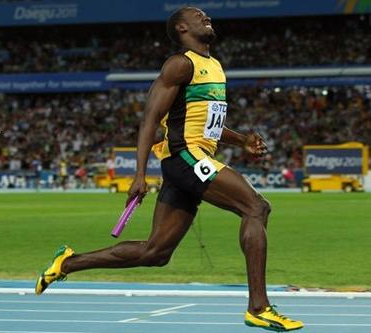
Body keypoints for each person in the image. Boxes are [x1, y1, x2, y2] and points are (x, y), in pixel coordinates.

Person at [35, 7, 303, 332]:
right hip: (184, 157)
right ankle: (258, 307)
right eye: (197, 15)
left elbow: (207, 124)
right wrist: (139, 174)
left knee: (155, 252)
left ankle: (67, 262)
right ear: (181, 27)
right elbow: (150, 119)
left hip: (192, 158)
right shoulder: (180, 64)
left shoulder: (214, 66)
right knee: (256, 207)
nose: (206, 17)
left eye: (206, 14)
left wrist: (241, 140)